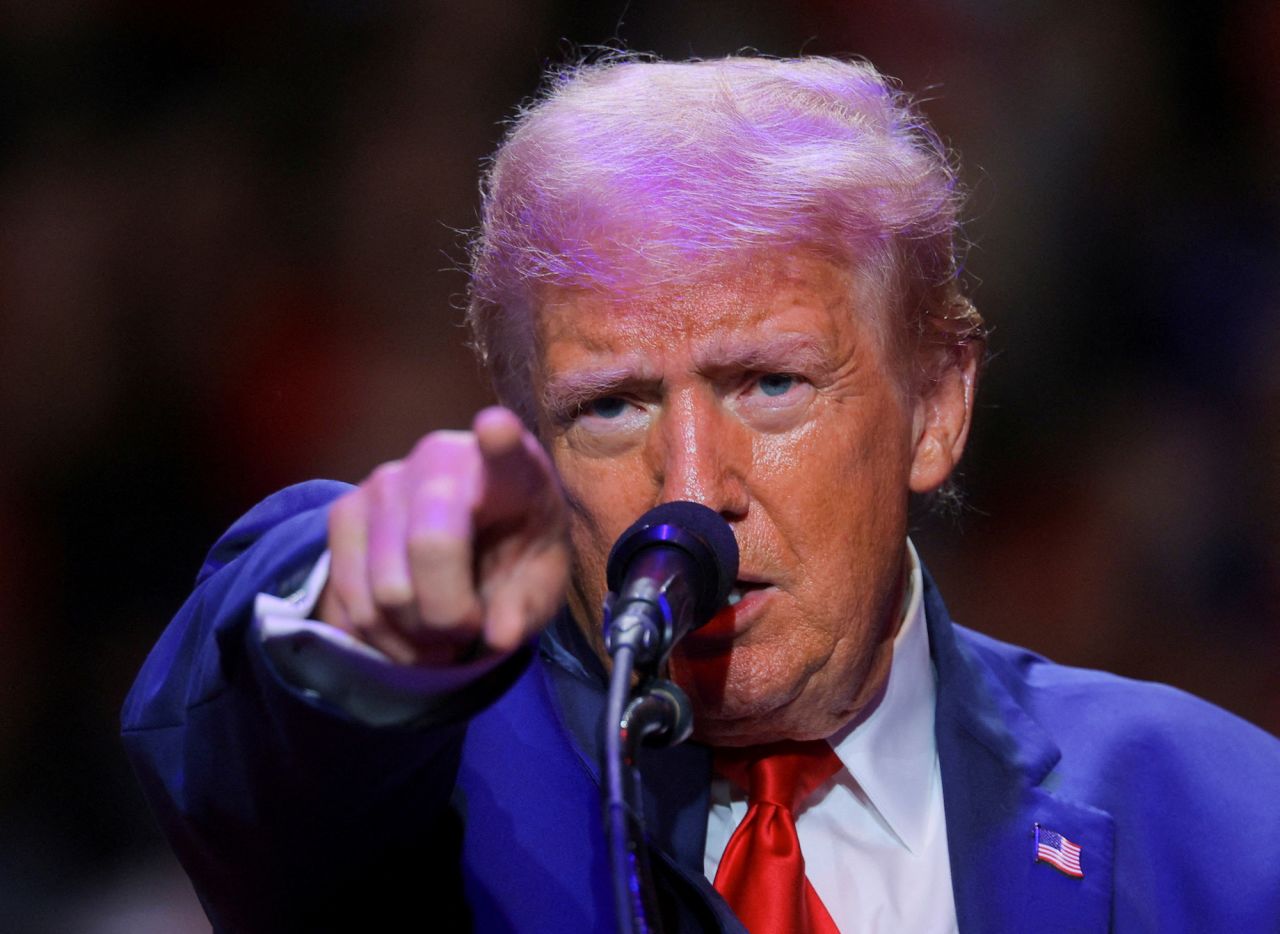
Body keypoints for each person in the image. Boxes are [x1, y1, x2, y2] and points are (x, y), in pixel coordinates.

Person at [122, 56, 1280, 932]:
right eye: (609, 406)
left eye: (769, 384)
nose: (686, 493)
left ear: (934, 405)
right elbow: (241, 731)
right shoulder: (429, 790)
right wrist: (356, 628)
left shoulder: (1220, 828)